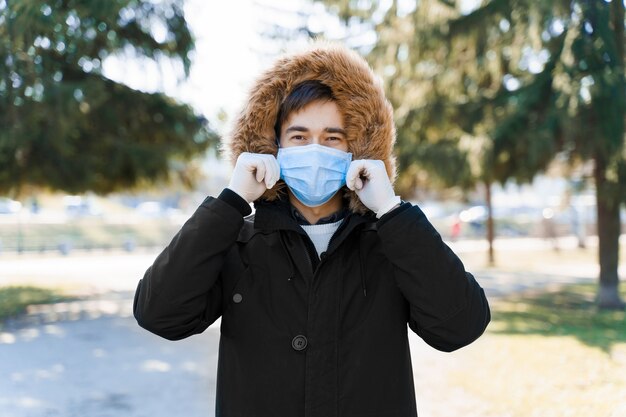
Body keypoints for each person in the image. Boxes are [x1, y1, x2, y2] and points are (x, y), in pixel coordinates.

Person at [133, 43, 490, 417]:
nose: (315, 151)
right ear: (272, 146)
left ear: (357, 149)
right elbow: (159, 313)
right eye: (299, 137)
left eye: (333, 138)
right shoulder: (239, 242)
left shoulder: (389, 241)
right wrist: (232, 200)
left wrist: (390, 209)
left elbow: (461, 326)